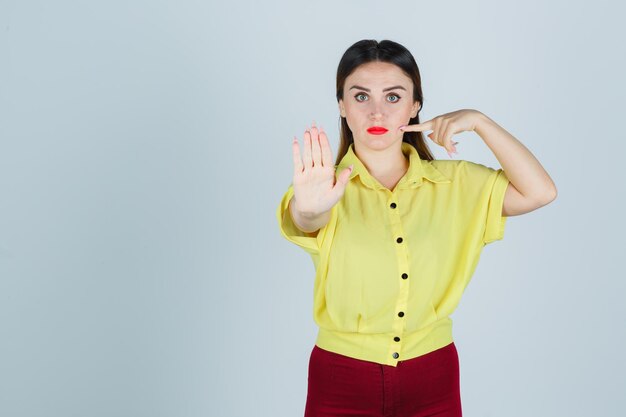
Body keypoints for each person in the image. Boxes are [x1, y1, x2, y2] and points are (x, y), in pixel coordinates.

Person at [276, 39, 557, 417]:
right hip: (340, 376)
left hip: (433, 374)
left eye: (393, 97)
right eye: (361, 97)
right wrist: (309, 210)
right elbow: (306, 219)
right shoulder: (321, 189)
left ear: (415, 105)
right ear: (342, 105)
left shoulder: (456, 184)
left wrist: (479, 121)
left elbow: (540, 192)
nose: (377, 112)